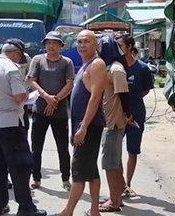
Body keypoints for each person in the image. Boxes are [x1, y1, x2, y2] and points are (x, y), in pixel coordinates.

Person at [0, 38, 47, 216]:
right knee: (21, 166)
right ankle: (26, 208)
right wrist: (31, 94)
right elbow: (19, 97)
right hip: (11, 123)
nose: (20, 60)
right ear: (16, 53)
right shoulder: (11, 68)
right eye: (20, 57)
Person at [57, 30, 107, 216]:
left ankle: (67, 212)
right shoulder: (86, 65)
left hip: (89, 126)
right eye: (79, 42)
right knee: (91, 171)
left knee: (77, 172)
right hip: (83, 126)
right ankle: (95, 211)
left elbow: (95, 98)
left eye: (86, 41)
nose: (82, 45)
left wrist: (84, 126)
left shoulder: (97, 64)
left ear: (96, 45)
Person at [27, 31, 74, 191]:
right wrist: (47, 97)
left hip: (59, 111)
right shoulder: (38, 60)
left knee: (62, 147)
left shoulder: (66, 62)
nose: (51, 46)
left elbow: (70, 84)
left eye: (55, 43)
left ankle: (66, 178)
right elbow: (31, 80)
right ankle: (36, 177)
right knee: (36, 146)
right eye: (48, 43)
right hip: (40, 109)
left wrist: (55, 100)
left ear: (61, 46)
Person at [97, 35, 132, 212]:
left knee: (110, 163)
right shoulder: (109, 68)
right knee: (115, 161)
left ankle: (114, 202)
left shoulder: (116, 69)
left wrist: (128, 116)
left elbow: (124, 95)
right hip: (109, 121)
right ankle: (115, 196)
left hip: (114, 122)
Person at [117, 35, 154, 197]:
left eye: (121, 46)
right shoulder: (116, 67)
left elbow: (146, 90)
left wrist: (132, 104)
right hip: (118, 114)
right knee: (114, 150)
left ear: (130, 46)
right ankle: (118, 183)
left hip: (136, 114)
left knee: (132, 150)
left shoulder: (142, 68)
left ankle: (127, 184)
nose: (118, 49)